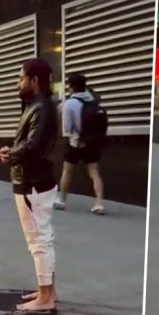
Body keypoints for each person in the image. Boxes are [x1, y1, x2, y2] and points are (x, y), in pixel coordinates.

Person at [0, 58, 59, 315]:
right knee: (43, 237)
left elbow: (33, 145)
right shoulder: (36, 105)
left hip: (31, 182)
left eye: (21, 78)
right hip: (36, 181)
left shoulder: (41, 108)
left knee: (38, 240)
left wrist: (10, 154)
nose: (17, 82)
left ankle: (46, 298)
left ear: (34, 81)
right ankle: (47, 291)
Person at [54, 73, 105, 215]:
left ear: (71, 87)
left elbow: (67, 129)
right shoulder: (93, 100)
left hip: (76, 143)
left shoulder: (69, 104)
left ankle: (62, 200)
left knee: (67, 171)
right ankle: (99, 203)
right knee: (94, 172)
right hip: (92, 142)